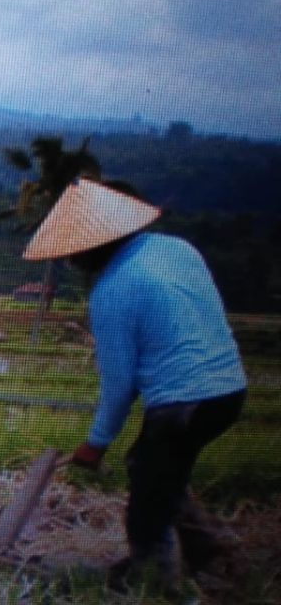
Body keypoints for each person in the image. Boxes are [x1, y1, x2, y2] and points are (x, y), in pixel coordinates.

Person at [23, 178, 247, 593]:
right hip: (230, 390)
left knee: (146, 508)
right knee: (155, 472)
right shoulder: (179, 250)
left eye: (76, 250)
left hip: (182, 404)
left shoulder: (113, 291)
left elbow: (119, 384)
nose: (72, 260)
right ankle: (213, 556)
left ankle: (156, 583)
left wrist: (95, 443)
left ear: (95, 245)